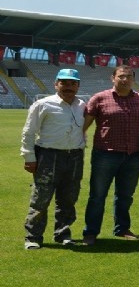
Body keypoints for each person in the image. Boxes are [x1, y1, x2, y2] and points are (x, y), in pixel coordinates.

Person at [82, 65, 139, 245]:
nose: (125, 79)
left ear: (133, 79)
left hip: (133, 155)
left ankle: (122, 229)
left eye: (129, 76)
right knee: (97, 195)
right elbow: (84, 125)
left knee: (125, 196)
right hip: (105, 155)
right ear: (113, 78)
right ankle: (91, 232)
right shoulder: (99, 98)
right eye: (121, 76)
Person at [21, 69, 86, 249]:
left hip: (74, 157)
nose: (68, 87)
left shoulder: (82, 105)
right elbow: (29, 132)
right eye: (64, 83)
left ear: (78, 85)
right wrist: (29, 157)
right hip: (48, 156)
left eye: (73, 83)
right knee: (40, 199)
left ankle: (63, 234)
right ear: (56, 84)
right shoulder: (43, 104)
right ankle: (33, 237)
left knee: (68, 199)